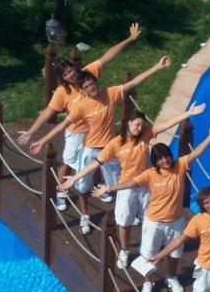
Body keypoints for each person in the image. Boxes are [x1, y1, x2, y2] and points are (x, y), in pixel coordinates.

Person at [30, 56, 172, 234]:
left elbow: (134, 82)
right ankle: (84, 216)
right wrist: (41, 141)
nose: (91, 88)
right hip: (90, 150)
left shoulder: (110, 93)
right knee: (82, 187)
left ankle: (126, 212)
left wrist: (157, 66)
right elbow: (62, 125)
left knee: (119, 185)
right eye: (86, 87)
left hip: (110, 150)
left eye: (92, 84)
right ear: (83, 90)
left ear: (97, 82)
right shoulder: (81, 106)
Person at [59, 102, 206, 268]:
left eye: (142, 125)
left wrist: (189, 113)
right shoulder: (115, 144)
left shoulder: (146, 135)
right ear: (128, 123)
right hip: (127, 187)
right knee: (124, 221)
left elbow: (167, 124)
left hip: (147, 185)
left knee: (149, 219)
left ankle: (149, 248)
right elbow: (95, 163)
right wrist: (74, 178)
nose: (139, 128)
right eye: (137, 124)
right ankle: (124, 250)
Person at [17, 23, 142, 210]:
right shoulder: (63, 92)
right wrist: (32, 132)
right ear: (62, 78)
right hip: (76, 132)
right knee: (69, 162)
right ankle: (61, 192)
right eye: (65, 74)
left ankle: (99, 187)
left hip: (97, 130)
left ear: (74, 68)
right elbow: (49, 111)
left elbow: (108, 56)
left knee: (99, 160)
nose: (70, 75)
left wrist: (129, 39)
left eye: (70, 70)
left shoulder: (88, 74)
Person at [96, 123, 210, 292]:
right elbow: (130, 183)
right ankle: (148, 282)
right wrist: (109, 188)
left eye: (167, 156)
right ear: (155, 161)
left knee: (175, 253)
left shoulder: (179, 165)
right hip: (154, 222)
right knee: (149, 254)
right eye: (161, 158)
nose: (166, 160)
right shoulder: (150, 174)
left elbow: (196, 153)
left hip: (176, 221)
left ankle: (171, 277)